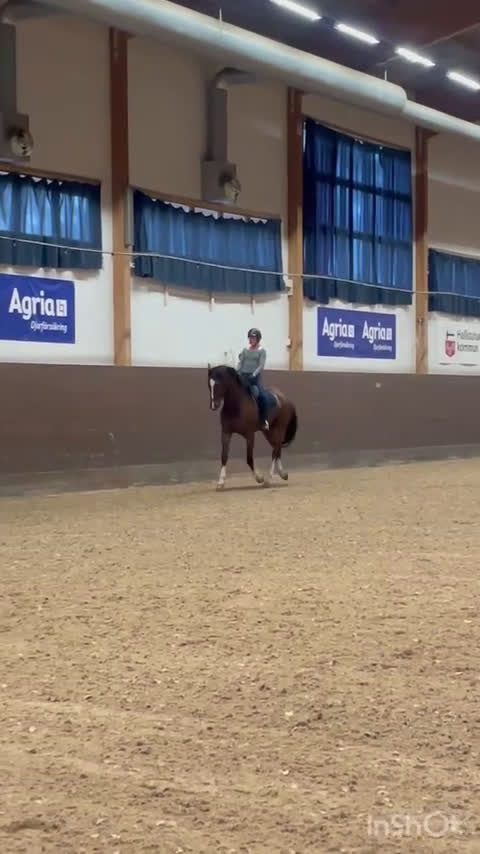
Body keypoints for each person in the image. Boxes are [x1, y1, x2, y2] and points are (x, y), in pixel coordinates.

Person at [237, 328, 269, 430]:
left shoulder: (261, 351)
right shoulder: (245, 350)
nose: (251, 339)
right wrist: (236, 371)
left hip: (254, 378)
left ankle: (263, 420)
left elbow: (261, 365)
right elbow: (240, 363)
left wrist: (254, 374)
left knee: (262, 397)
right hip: (243, 376)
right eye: (250, 337)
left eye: (253, 338)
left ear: (258, 339)